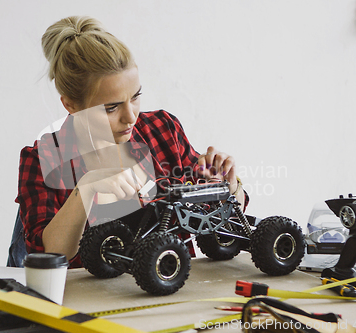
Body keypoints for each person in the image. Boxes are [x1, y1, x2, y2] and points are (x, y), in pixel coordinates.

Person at [15, 16, 248, 268]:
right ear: (71, 105)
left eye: (135, 97)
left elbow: (221, 221)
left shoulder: (163, 129)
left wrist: (228, 185)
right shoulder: (44, 158)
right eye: (111, 108)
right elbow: (51, 254)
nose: (131, 117)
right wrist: (85, 188)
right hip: (92, 300)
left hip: (169, 287)